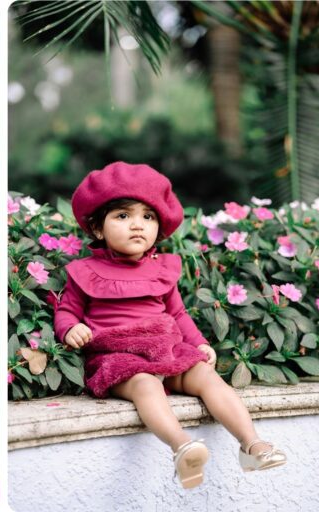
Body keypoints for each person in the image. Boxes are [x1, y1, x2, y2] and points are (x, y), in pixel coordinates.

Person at [53, 162, 287, 489]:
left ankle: (251, 444)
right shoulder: (85, 272)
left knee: (206, 376)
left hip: (167, 350)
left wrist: (200, 343)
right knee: (145, 384)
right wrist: (70, 329)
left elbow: (177, 314)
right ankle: (182, 447)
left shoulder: (162, 270)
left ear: (158, 227)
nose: (137, 225)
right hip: (118, 358)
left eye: (147, 217)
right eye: (123, 216)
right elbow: (66, 311)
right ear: (97, 228)